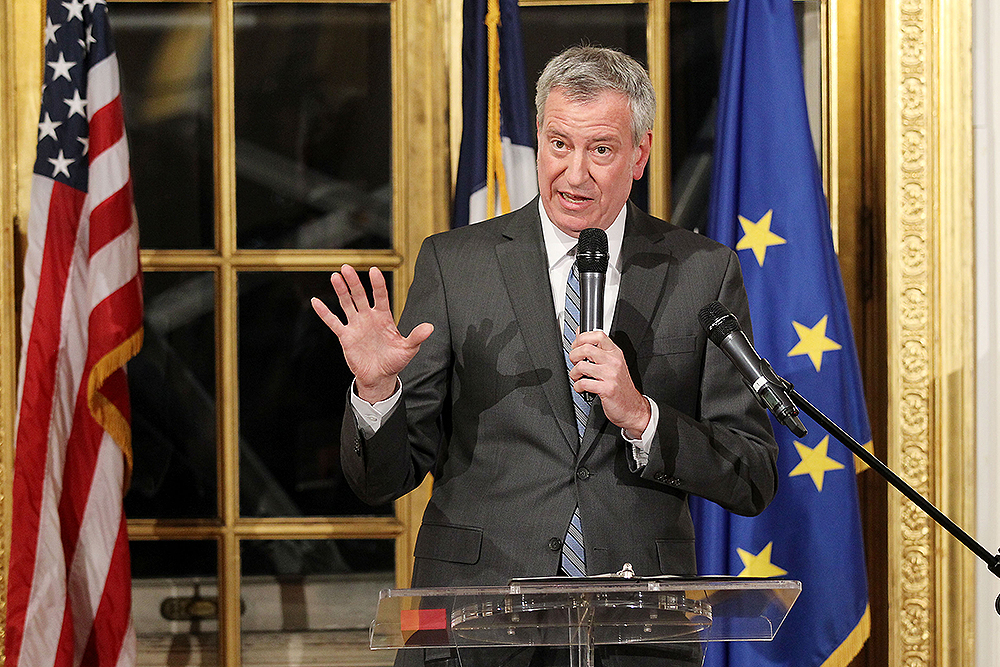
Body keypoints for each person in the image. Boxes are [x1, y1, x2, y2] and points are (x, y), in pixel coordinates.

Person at [312, 46, 779, 667]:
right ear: (539, 139)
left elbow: (751, 473)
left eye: (601, 150)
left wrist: (642, 417)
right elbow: (383, 479)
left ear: (640, 154)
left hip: (634, 631)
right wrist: (376, 396)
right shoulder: (458, 264)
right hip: (475, 626)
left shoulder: (700, 271)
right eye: (559, 145)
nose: (574, 174)